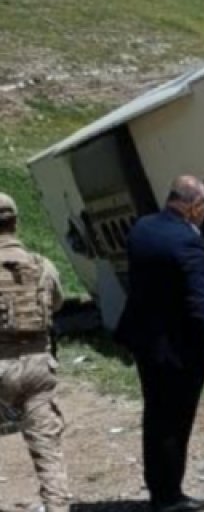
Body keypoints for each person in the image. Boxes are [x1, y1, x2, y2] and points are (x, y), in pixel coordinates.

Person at [116, 176, 204, 512]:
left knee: (156, 416)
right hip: (178, 348)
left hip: (145, 341)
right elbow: (200, 302)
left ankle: (159, 489)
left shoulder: (142, 229)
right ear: (195, 206)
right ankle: (170, 497)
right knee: (176, 421)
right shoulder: (189, 242)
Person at [0, 192, 72, 512]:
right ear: (16, 222)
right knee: (47, 451)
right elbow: (56, 303)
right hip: (38, 364)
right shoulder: (42, 265)